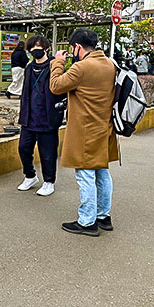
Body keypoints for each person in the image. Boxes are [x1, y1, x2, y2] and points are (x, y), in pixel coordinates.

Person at [49, 29, 119, 237]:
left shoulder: (81, 67)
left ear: (78, 47)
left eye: (72, 49)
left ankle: (87, 222)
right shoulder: (109, 64)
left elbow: (56, 86)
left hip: (85, 130)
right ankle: (103, 216)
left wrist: (57, 62)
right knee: (102, 173)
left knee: (85, 175)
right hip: (104, 127)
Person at [16, 36, 65, 196]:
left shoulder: (53, 65)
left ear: (46, 48)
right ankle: (30, 176)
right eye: (32, 47)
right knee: (23, 148)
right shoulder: (29, 67)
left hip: (48, 118)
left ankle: (49, 182)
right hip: (30, 118)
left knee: (48, 153)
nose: (35, 50)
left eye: (38, 47)